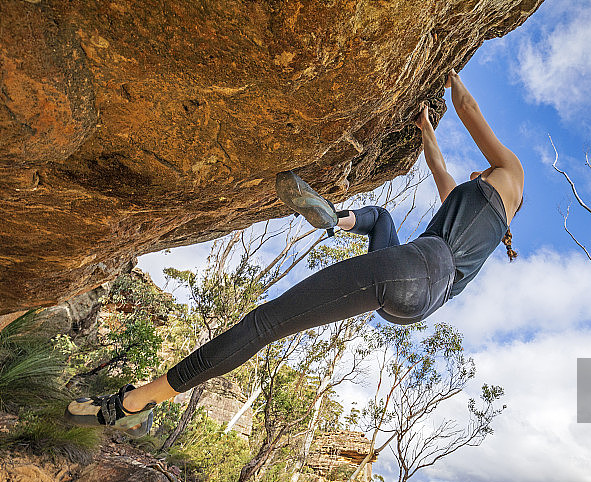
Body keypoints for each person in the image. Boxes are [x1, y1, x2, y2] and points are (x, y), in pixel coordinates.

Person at [65, 69, 525, 436]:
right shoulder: (478, 214)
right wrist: (426, 128)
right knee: (382, 219)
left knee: (265, 323)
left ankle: (133, 404)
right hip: (418, 295)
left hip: (416, 266)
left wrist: (448, 67)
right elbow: (439, 166)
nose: (478, 169)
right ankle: (336, 219)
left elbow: (468, 108)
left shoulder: (513, 175)